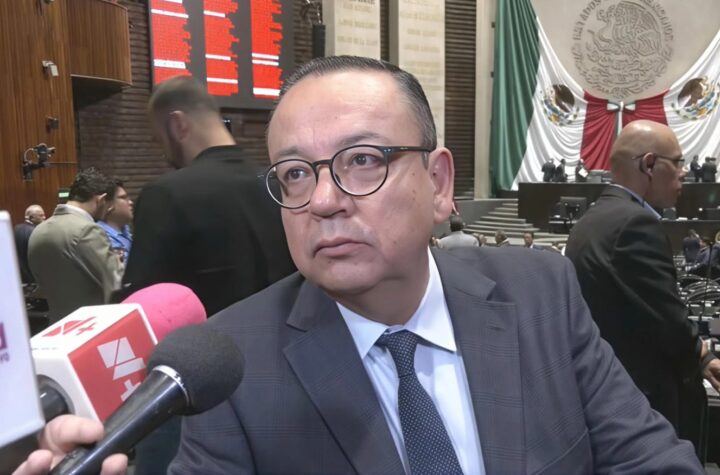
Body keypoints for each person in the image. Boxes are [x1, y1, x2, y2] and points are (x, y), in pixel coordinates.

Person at [16, 57, 704, 475]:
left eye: (364, 160)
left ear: (439, 183)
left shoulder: (541, 296)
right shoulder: (233, 364)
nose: (322, 200)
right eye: (295, 173)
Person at [565, 120, 720, 450]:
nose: (684, 172)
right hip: (646, 410)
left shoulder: (592, 218)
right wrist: (704, 355)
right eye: (677, 162)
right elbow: (667, 319)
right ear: (649, 164)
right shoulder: (636, 224)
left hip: (605, 398)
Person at [119, 76, 296, 316]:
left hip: (210, 337)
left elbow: (142, 305)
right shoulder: (278, 183)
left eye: (159, 140)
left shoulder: (165, 195)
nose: (164, 153)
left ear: (178, 125)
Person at [27, 168, 122, 323]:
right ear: (101, 199)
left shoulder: (38, 231)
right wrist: (117, 261)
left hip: (57, 323)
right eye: (108, 207)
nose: (107, 212)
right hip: (93, 324)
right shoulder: (87, 230)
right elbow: (116, 281)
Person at [97, 180, 133, 264]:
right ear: (108, 205)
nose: (130, 202)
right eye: (123, 198)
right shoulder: (99, 236)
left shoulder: (126, 230)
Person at [14, 204, 45, 284]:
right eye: (41, 215)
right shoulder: (36, 232)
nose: (44, 218)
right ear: (31, 218)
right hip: (33, 276)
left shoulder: (16, 228)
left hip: (19, 275)